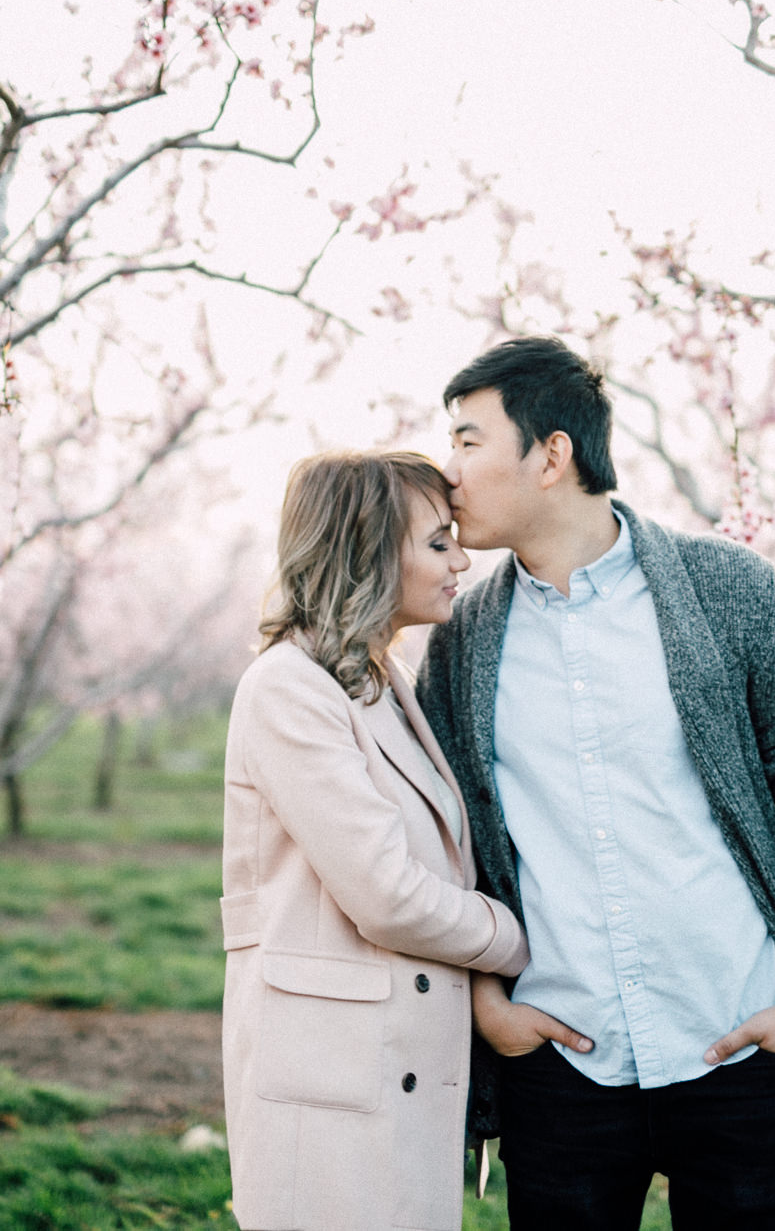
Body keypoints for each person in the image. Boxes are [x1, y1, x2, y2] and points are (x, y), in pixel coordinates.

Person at [416, 336, 775, 1231]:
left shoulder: (727, 588)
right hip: (562, 1062)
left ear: (552, 454)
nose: (449, 469)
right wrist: (490, 1008)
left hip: (740, 1038)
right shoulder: (464, 639)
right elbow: (448, 837)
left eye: (469, 440)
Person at [221, 449, 534, 1231]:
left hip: (387, 1063)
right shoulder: (288, 688)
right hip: (332, 1079)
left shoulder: (379, 674)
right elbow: (387, 896)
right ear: (366, 550)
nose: (462, 559)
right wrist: (518, 940)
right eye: (436, 542)